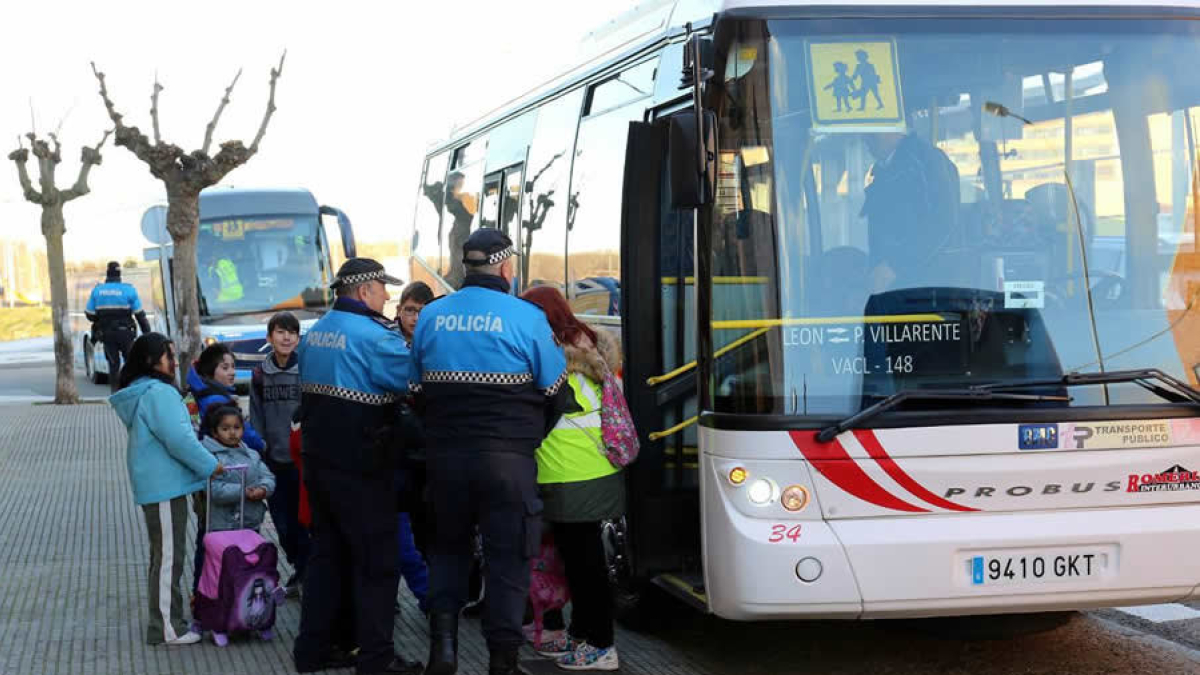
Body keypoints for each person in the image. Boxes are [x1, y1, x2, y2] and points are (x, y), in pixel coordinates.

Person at [410, 229, 569, 675]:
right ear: (505, 267)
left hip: (445, 460)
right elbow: (556, 392)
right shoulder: (525, 316)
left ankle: (442, 653)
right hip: (507, 462)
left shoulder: (432, 316)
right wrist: (526, 440)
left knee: (446, 552)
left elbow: (416, 390)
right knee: (507, 559)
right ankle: (502, 662)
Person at [292, 257, 422, 675]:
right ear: (364, 290)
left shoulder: (316, 334)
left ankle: (311, 652)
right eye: (383, 288)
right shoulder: (376, 337)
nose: (387, 296)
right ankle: (376, 659)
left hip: (318, 461)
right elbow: (413, 383)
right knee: (377, 564)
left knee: (326, 557)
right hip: (363, 464)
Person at [520, 287, 625, 671]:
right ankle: (584, 636)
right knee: (581, 562)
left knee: (586, 566)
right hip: (586, 471)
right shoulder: (587, 350)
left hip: (572, 474)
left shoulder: (554, 359)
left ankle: (601, 645)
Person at [108, 332, 222, 646]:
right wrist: (211, 465)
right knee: (168, 558)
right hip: (164, 488)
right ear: (150, 360)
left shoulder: (144, 391)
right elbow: (180, 440)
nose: (174, 361)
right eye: (168, 355)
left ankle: (170, 620)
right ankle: (166, 629)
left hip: (161, 486)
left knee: (164, 557)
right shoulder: (158, 393)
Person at [250, 311, 309, 597]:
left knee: (303, 521)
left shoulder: (307, 369)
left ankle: (308, 573)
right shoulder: (260, 373)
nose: (286, 337)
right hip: (273, 460)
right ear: (269, 337)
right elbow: (256, 414)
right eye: (280, 332)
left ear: (298, 338)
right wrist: (260, 448)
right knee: (283, 524)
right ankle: (300, 567)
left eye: (292, 332)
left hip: (303, 459)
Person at [859, 131, 960, 293]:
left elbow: (943, 222)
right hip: (895, 289)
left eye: (871, 133)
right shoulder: (883, 169)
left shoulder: (924, 161)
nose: (864, 138)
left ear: (891, 129)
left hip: (924, 290)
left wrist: (893, 267)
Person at [200, 406, 277, 533]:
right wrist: (243, 492)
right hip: (222, 525)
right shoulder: (210, 457)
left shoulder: (252, 454)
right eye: (225, 429)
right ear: (214, 432)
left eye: (237, 427)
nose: (232, 433)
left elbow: (267, 476)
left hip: (251, 521)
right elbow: (213, 488)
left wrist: (263, 489)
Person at [86, 261, 152, 393]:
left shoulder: (98, 291)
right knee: (130, 362)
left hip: (107, 334)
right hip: (126, 333)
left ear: (107, 274)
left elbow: (90, 314)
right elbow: (140, 315)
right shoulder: (129, 290)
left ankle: (115, 394)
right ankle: (131, 391)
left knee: (113, 364)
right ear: (119, 274)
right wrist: (147, 334)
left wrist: (103, 318)